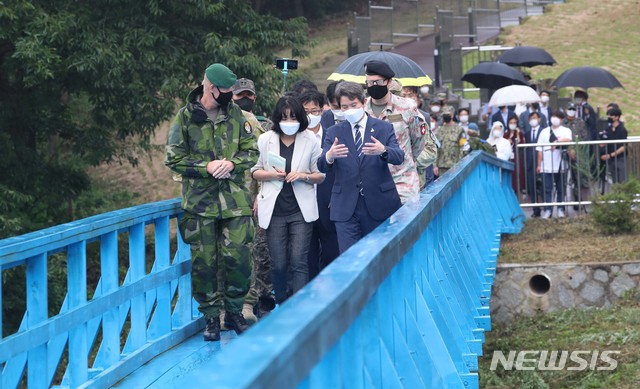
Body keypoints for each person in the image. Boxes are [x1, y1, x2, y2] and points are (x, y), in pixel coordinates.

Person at [165, 63, 258, 341]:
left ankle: (234, 312)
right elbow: (173, 158)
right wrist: (205, 166)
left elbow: (252, 151)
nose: (231, 94)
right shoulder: (184, 118)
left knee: (239, 259)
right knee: (204, 262)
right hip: (200, 204)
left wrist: (232, 162)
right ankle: (210, 318)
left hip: (234, 201)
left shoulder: (238, 116)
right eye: (227, 90)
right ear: (210, 88)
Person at [251, 96, 325, 306]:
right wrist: (271, 175)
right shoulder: (266, 139)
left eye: (293, 117)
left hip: (300, 210)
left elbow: (320, 175)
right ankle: (282, 303)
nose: (289, 122)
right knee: (279, 264)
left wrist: (302, 176)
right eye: (284, 117)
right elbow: (255, 171)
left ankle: (298, 308)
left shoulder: (309, 140)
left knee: (299, 261)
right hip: (274, 210)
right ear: (277, 118)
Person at [318, 81, 404, 253]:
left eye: (353, 105)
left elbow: (399, 156)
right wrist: (330, 156)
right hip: (345, 207)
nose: (349, 110)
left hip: (378, 203)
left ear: (363, 103)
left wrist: (383, 150)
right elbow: (321, 165)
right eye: (344, 107)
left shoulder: (383, 127)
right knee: (349, 259)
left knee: (378, 256)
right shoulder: (334, 131)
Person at [231, 78, 274, 323]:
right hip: (232, 198)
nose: (243, 100)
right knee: (234, 252)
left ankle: (257, 300)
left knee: (259, 252)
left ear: (254, 98)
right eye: (239, 96)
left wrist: (262, 193)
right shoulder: (225, 125)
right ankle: (236, 305)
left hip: (258, 197)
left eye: (247, 95)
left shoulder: (265, 126)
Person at [363, 60, 426, 203]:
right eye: (369, 82)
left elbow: (418, 141)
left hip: (403, 181)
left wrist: (405, 159)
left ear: (389, 82)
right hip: (373, 182)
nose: (373, 86)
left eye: (378, 82)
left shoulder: (407, 107)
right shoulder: (362, 110)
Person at [299, 90, 340, 278]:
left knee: (333, 255)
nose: (310, 115)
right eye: (305, 110)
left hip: (329, 205)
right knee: (307, 261)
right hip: (303, 207)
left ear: (322, 110)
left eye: (314, 110)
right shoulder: (295, 138)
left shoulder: (333, 135)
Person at [536, 111, 572, 219]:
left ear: (561, 120)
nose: (555, 119)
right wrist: (539, 165)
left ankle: (561, 209)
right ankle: (548, 210)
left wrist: (557, 142)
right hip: (546, 166)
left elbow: (569, 140)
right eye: (553, 116)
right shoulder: (544, 132)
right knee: (547, 189)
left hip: (561, 165)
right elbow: (539, 149)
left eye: (558, 117)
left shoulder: (566, 130)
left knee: (561, 188)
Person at [563, 102, 590, 208]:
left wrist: (575, 148)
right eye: (569, 108)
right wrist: (569, 149)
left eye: (573, 109)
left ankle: (577, 201)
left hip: (578, 154)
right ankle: (562, 204)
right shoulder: (562, 123)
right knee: (563, 179)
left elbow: (584, 136)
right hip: (564, 154)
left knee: (577, 178)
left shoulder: (580, 122)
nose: (571, 110)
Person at [434, 106, 466, 177]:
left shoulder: (460, 129)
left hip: (455, 165)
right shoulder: (440, 130)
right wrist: (435, 165)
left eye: (448, 115)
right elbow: (436, 148)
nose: (446, 117)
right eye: (444, 115)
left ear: (452, 115)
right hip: (441, 165)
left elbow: (463, 148)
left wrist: (460, 164)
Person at [599, 107, 628, 184]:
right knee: (614, 181)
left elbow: (623, 147)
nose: (609, 117)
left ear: (617, 117)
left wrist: (610, 155)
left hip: (620, 158)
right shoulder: (608, 129)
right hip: (611, 161)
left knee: (623, 181)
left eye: (611, 115)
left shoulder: (622, 130)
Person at [524, 111, 543, 217]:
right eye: (531, 118)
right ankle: (536, 209)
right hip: (531, 163)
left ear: (539, 119)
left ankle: (548, 207)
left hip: (542, 163)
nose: (533, 120)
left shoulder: (544, 131)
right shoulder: (527, 133)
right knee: (532, 188)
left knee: (543, 186)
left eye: (535, 118)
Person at [504, 116, 525, 194]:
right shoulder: (506, 134)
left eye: (514, 123)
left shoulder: (520, 133)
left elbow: (521, 144)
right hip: (509, 158)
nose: (512, 124)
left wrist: (518, 134)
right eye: (511, 123)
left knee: (518, 174)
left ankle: (518, 190)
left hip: (517, 157)